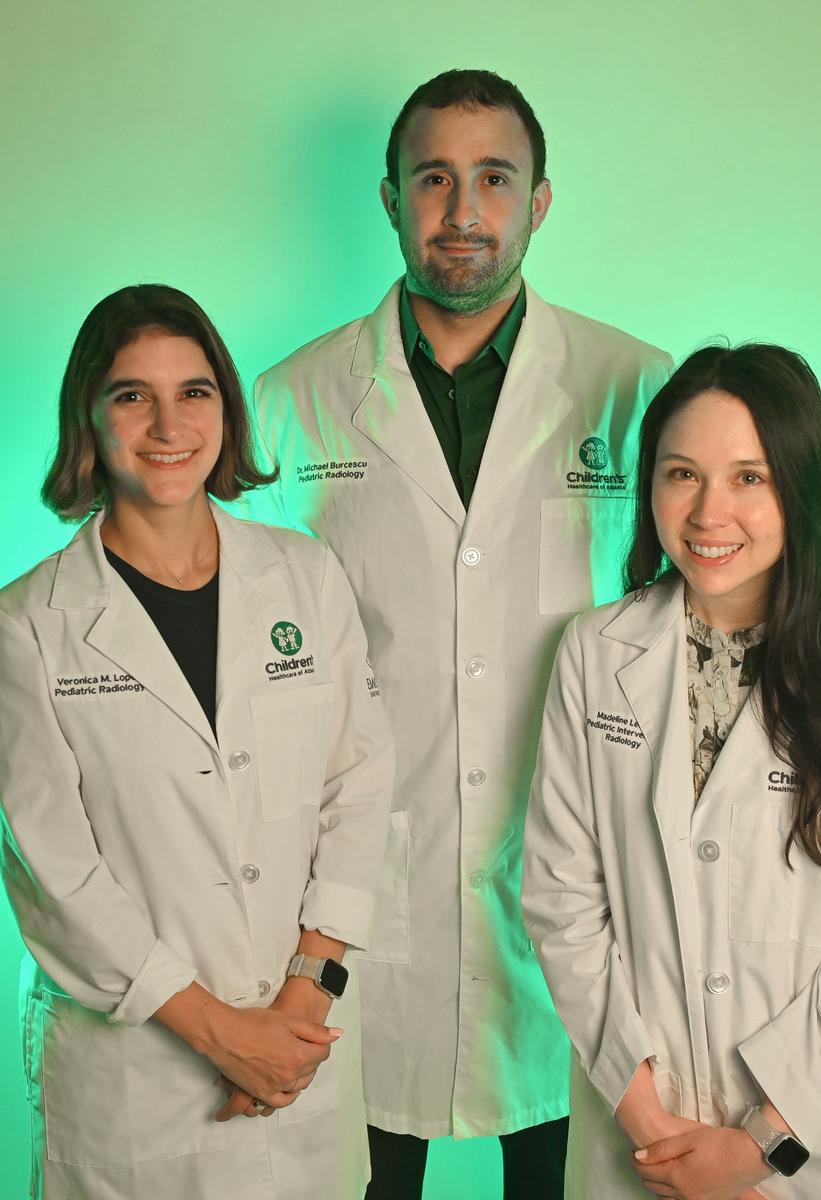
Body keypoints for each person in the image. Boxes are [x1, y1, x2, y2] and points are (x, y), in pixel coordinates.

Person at [238, 69, 673, 1200]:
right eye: (434, 179)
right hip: (361, 893)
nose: (463, 210)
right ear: (389, 197)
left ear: (539, 201)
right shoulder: (291, 403)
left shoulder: (638, 390)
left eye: (494, 179)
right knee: (364, 1175)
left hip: (582, 886)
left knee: (563, 1172)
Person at [0, 284, 394, 1199]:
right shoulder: (26, 624)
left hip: (299, 1052)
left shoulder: (306, 577)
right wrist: (220, 1032)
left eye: (194, 391)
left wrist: (305, 994)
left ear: (227, 409)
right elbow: (55, 875)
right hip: (137, 1080)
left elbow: (359, 787)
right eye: (132, 394)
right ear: (89, 414)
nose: (168, 422)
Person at [521, 344, 821, 1199]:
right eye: (682, 474)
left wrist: (762, 1143)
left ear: (801, 488)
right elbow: (560, 897)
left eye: (749, 478)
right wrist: (652, 1126)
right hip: (645, 1132)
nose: (708, 512)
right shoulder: (593, 652)